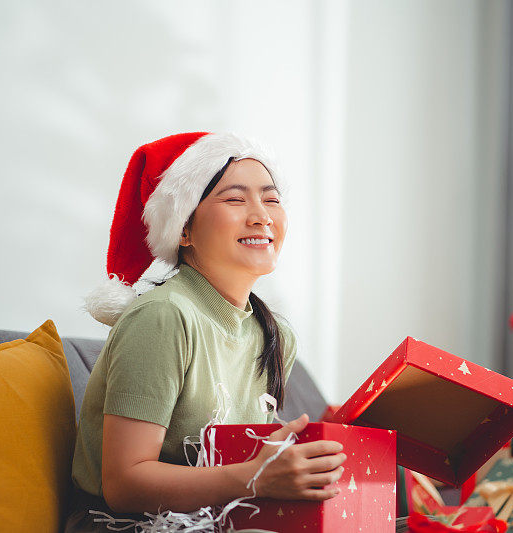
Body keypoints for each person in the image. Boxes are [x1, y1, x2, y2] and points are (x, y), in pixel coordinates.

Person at [65, 132, 346, 532]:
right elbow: (124, 484)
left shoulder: (274, 336)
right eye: (235, 199)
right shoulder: (163, 317)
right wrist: (256, 478)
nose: (261, 215)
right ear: (184, 230)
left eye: (271, 198)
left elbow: (251, 461)